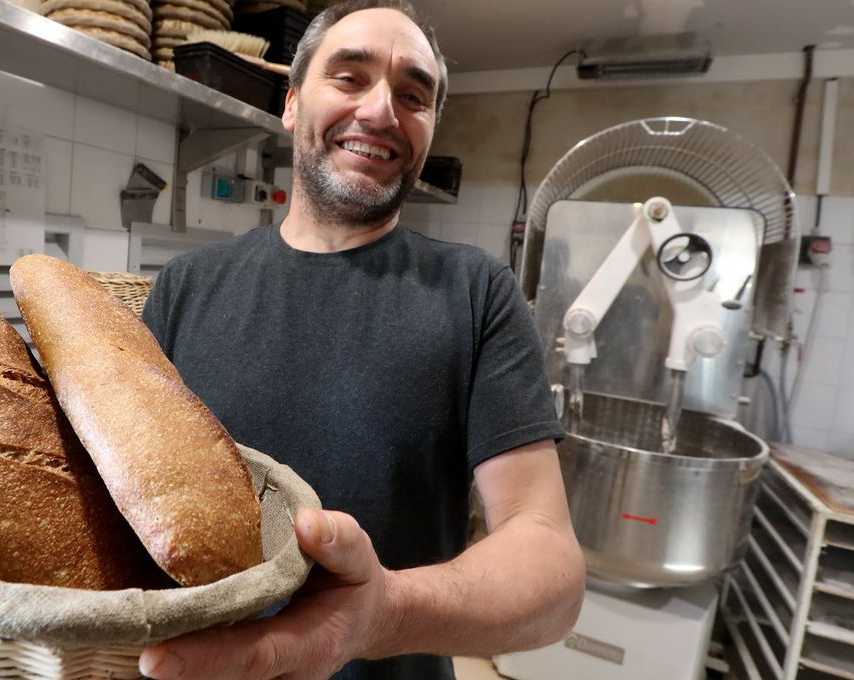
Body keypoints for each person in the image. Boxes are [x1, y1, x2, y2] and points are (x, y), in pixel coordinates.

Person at [139, 1, 585, 677]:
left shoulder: (474, 294)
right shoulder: (185, 288)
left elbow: (551, 572)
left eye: (414, 95)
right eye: (349, 78)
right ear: (291, 106)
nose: (381, 112)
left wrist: (384, 613)